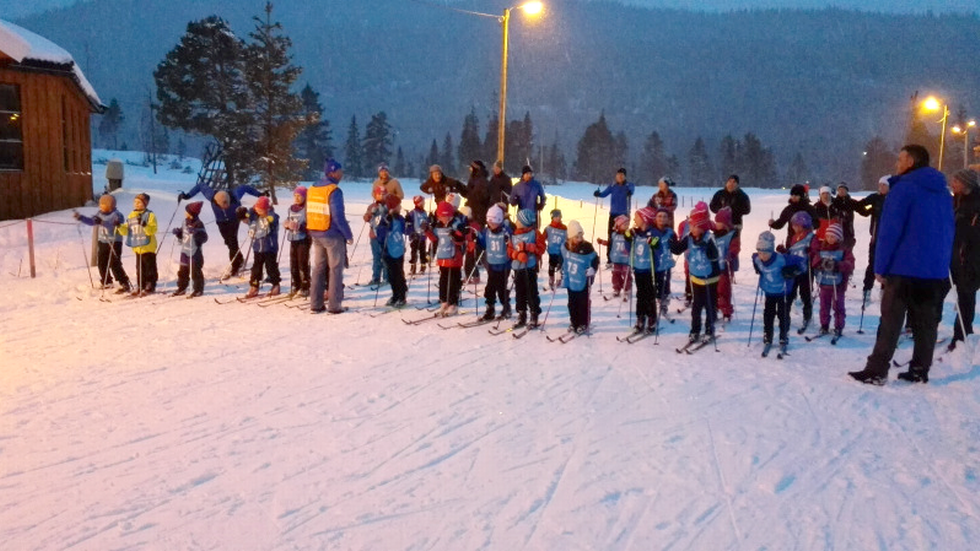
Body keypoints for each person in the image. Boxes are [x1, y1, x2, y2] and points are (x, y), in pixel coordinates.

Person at [849, 145, 954, 385]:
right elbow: (949, 230)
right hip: (933, 270)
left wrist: (880, 266)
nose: (897, 163)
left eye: (900, 159)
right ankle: (919, 370)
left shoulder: (903, 189)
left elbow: (889, 232)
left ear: (911, 162)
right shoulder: (943, 192)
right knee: (926, 324)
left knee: (890, 322)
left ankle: (876, 371)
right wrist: (941, 264)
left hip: (903, 269)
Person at [179, 182, 263, 279]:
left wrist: (259, 194)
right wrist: (187, 196)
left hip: (234, 220)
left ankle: (235, 266)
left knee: (232, 242)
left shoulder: (234, 196)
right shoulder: (211, 196)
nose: (226, 206)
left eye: (228, 204)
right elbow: (200, 186)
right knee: (228, 242)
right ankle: (239, 259)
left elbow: (245, 187)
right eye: (223, 205)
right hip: (221, 221)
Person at [308, 159, 355, 314]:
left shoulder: (313, 188)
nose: (342, 174)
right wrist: (348, 234)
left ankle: (316, 303)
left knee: (318, 268)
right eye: (340, 171)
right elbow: (338, 216)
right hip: (331, 234)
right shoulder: (333, 190)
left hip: (316, 232)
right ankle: (335, 305)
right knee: (335, 269)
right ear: (333, 172)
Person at [671, 202, 720, 344]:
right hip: (696, 278)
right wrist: (670, 242)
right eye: (690, 226)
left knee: (710, 306)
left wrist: (706, 247)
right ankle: (695, 330)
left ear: (702, 227)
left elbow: (715, 256)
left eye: (693, 226)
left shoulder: (709, 238)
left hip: (710, 278)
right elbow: (677, 249)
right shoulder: (689, 237)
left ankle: (709, 330)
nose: (691, 228)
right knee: (696, 307)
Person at [752, 231, 804, 351]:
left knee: (783, 314)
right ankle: (768, 336)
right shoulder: (757, 259)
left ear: (771, 251)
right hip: (769, 292)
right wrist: (756, 267)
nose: (762, 256)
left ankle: (783, 337)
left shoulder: (782, 259)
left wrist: (793, 271)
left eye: (765, 253)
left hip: (783, 292)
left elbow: (802, 262)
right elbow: (753, 257)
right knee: (768, 315)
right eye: (760, 253)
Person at [947, 169, 980, 351]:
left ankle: (961, 335)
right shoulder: (956, 200)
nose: (952, 183)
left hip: (971, 258)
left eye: (956, 181)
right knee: (938, 292)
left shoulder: (976, 202)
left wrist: (966, 228)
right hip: (952, 255)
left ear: (966, 183)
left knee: (966, 296)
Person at [73, 194, 131, 293]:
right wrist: (81, 218)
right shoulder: (99, 213)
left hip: (114, 242)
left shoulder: (117, 215)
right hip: (103, 241)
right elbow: (92, 222)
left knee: (114, 263)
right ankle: (106, 281)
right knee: (102, 263)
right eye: (100, 204)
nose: (100, 206)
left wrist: (102, 222)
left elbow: (113, 226)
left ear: (110, 205)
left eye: (103, 204)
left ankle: (124, 282)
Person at [426, 200, 470, 316]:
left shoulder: (456, 224)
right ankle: (444, 301)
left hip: (454, 257)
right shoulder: (438, 225)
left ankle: (453, 303)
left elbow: (461, 240)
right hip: (443, 257)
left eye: (446, 216)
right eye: (441, 216)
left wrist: (457, 235)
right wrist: (427, 231)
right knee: (443, 280)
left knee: (454, 281)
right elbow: (435, 239)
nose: (443, 219)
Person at [811, 221, 853, 338]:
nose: (830, 239)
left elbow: (850, 264)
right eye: (828, 236)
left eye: (833, 237)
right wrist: (821, 263)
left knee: (838, 306)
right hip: (824, 284)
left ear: (838, 238)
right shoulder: (822, 248)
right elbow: (815, 262)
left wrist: (837, 265)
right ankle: (824, 325)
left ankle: (839, 326)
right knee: (824, 306)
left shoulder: (843, 250)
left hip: (838, 285)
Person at [855, 175, 891, 301]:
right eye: (880, 185)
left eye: (884, 185)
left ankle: (884, 290)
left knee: (887, 266)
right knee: (872, 264)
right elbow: (860, 206)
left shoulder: (894, 199)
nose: (881, 187)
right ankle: (867, 289)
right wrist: (869, 210)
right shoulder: (875, 198)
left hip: (889, 240)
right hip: (876, 238)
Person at [508, 208, 545, 328]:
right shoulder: (514, 234)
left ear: (524, 222)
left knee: (531, 291)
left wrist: (529, 247)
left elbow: (541, 248)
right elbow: (510, 250)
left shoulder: (534, 233)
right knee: (520, 292)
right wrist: (516, 254)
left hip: (529, 268)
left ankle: (534, 314)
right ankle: (521, 313)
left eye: (518, 220)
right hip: (518, 268)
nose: (516, 222)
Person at [238, 196, 280, 298]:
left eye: (261, 210)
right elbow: (249, 215)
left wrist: (269, 219)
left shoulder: (272, 215)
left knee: (271, 267)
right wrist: (249, 212)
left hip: (269, 247)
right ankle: (254, 285)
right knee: (256, 268)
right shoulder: (255, 216)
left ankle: (275, 284)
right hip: (258, 247)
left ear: (266, 209)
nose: (259, 212)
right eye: (257, 209)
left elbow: (274, 218)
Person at [561, 220, 599, 334]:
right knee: (572, 303)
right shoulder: (566, 247)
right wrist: (559, 269)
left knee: (583, 302)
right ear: (571, 237)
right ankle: (574, 322)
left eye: (581, 236)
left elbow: (595, 259)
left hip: (583, 280)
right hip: (571, 280)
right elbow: (562, 259)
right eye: (577, 237)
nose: (580, 239)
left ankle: (583, 323)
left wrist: (593, 269)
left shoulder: (587, 247)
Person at [625, 207, 659, 334]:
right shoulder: (635, 232)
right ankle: (640, 317)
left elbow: (658, 247)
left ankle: (651, 317)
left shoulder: (652, 232)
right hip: (638, 268)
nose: (634, 220)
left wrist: (654, 243)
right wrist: (627, 237)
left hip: (649, 270)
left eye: (637, 217)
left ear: (644, 219)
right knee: (640, 295)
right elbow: (628, 247)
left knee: (649, 295)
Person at [477, 204, 513, 321]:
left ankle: (506, 307)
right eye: (489, 222)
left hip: (504, 265)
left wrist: (509, 241)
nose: (491, 225)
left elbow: (512, 244)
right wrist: (476, 239)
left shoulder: (505, 231)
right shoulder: (487, 231)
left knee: (501, 288)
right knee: (490, 288)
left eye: (494, 223)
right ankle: (490, 308)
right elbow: (483, 243)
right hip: (492, 264)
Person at [118, 193, 158, 295]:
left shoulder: (150, 215)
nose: (136, 204)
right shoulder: (132, 215)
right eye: (135, 202)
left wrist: (144, 225)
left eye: (139, 202)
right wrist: (119, 226)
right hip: (137, 246)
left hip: (148, 246)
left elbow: (153, 230)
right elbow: (127, 230)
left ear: (145, 203)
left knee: (149, 267)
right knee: (140, 268)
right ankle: (141, 284)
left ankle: (150, 284)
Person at [709, 174, 751, 271]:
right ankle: (720, 264)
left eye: (734, 182)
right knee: (720, 244)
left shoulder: (742, 195)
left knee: (733, 247)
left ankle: (733, 267)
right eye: (730, 181)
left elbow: (747, 209)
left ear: (737, 184)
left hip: (735, 224)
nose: (731, 184)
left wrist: (733, 210)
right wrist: (721, 211)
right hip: (721, 224)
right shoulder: (719, 194)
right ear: (726, 182)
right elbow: (712, 206)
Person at [594, 168, 635, 265]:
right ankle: (610, 258)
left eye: (622, 175)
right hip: (613, 214)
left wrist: (629, 192)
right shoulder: (613, 186)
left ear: (625, 176)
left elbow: (632, 190)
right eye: (618, 175)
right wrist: (598, 194)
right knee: (611, 235)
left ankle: (624, 257)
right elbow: (604, 193)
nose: (620, 177)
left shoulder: (629, 185)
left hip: (623, 215)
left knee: (623, 237)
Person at [784, 211, 816, 332]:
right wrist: (785, 251)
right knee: (790, 292)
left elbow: (816, 251)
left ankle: (807, 316)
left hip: (806, 270)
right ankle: (785, 314)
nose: (794, 227)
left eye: (796, 225)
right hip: (794, 270)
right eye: (793, 225)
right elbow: (792, 251)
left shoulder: (811, 237)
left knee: (806, 294)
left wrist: (811, 252)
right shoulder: (794, 237)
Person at [170, 201, 208, 297]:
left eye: (186, 211)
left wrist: (196, 232)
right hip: (184, 251)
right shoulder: (185, 222)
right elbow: (183, 235)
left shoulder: (199, 224)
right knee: (182, 271)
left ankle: (198, 289)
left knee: (195, 271)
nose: (185, 212)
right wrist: (178, 233)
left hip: (194, 252)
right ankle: (181, 288)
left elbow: (204, 238)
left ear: (191, 213)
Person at [377, 194, 408, 308]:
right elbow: (380, 236)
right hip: (388, 250)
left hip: (398, 249)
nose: (400, 207)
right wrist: (385, 224)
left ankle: (402, 295)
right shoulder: (385, 218)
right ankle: (395, 295)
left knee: (399, 273)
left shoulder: (400, 218)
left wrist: (409, 223)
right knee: (391, 275)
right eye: (398, 205)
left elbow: (406, 230)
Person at [283, 186, 311, 298]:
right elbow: (289, 219)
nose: (297, 198)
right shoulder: (291, 208)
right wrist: (287, 224)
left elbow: (311, 226)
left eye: (300, 196)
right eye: (295, 196)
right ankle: (296, 284)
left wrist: (300, 227)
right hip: (293, 238)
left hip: (304, 239)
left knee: (302, 263)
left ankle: (305, 286)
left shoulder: (307, 208)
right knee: (293, 262)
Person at [713, 207, 739, 324]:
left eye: (720, 223)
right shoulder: (714, 234)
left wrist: (731, 254)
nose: (717, 225)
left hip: (725, 267)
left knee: (724, 290)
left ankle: (726, 311)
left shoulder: (732, 234)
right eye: (717, 222)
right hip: (714, 267)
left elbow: (735, 247)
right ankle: (715, 308)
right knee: (714, 289)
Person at [596, 215, 631, 299]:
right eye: (625, 224)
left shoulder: (628, 234)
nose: (627, 226)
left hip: (626, 259)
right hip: (616, 259)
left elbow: (632, 241)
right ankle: (616, 289)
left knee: (626, 274)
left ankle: (627, 289)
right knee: (615, 274)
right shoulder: (614, 235)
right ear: (619, 225)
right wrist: (602, 242)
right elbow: (610, 243)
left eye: (627, 224)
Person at [650, 208, 677, 317]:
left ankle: (664, 305)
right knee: (653, 285)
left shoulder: (670, 232)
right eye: (659, 216)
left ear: (668, 219)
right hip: (654, 264)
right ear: (655, 218)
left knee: (665, 285)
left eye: (665, 216)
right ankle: (652, 304)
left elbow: (676, 247)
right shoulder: (651, 231)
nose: (662, 219)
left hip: (665, 264)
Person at [363, 188, 389, 286]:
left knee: (386, 257)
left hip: (386, 235)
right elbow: (366, 218)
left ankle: (386, 278)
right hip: (374, 235)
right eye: (379, 194)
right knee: (376, 257)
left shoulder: (389, 205)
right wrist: (369, 215)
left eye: (384, 194)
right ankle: (376, 278)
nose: (381, 196)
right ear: (375, 195)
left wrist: (386, 213)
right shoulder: (372, 206)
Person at [405, 195, 430, 275]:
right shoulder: (412, 213)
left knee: (422, 252)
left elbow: (426, 222)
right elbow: (409, 224)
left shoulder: (424, 212)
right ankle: (413, 267)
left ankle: (423, 266)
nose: (424, 204)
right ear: (418, 203)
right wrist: (411, 232)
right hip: (415, 236)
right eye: (422, 202)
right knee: (414, 252)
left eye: (424, 202)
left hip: (422, 236)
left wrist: (430, 219)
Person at [544, 209, 568, 289]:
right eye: (556, 217)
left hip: (561, 252)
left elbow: (568, 238)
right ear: (552, 218)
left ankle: (559, 280)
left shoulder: (564, 228)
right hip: (552, 251)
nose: (558, 218)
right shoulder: (548, 228)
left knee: (560, 267)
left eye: (559, 216)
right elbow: (543, 238)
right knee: (551, 266)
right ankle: (551, 280)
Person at [832, 182, 859, 247]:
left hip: (849, 232)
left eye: (843, 189)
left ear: (847, 191)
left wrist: (871, 207)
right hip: (836, 232)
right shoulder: (834, 202)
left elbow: (864, 210)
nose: (841, 191)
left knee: (848, 251)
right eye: (840, 190)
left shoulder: (851, 202)